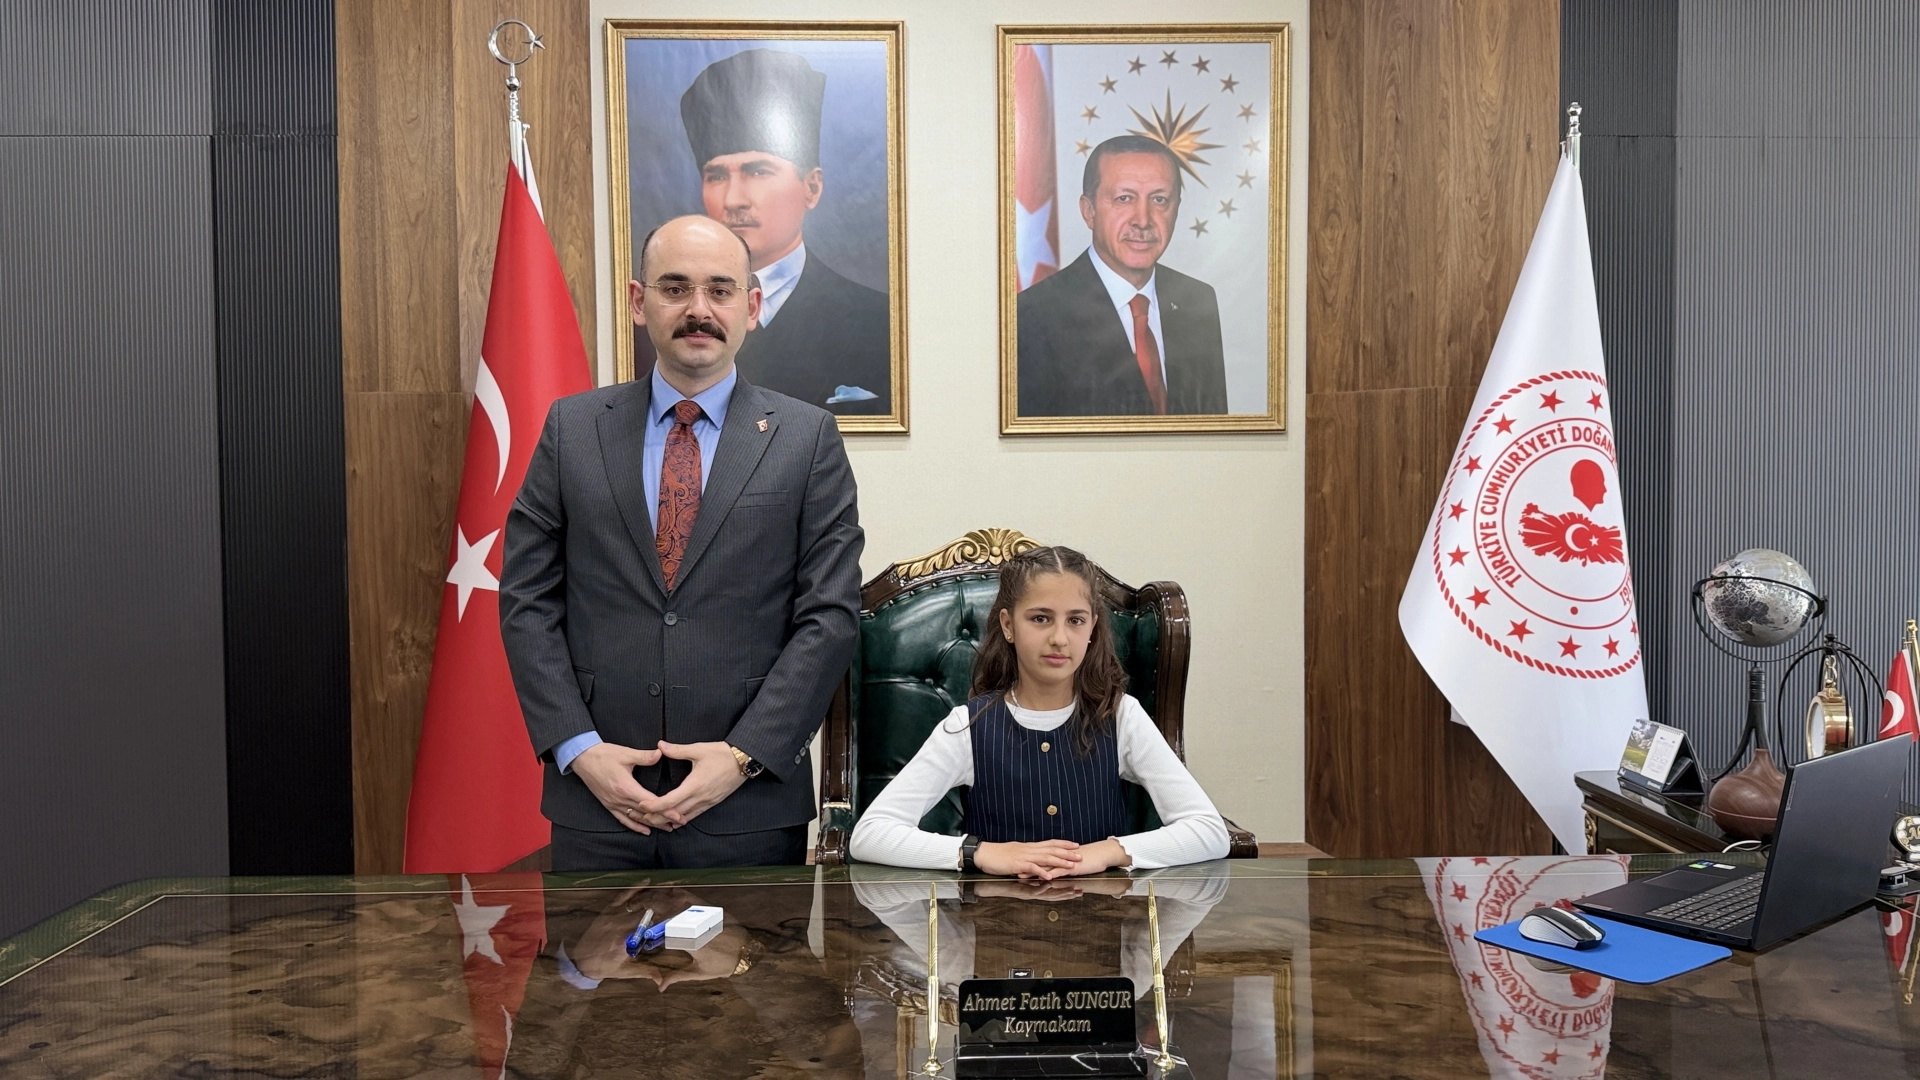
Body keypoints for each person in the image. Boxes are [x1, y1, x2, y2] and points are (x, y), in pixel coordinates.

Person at [501, 214, 864, 871]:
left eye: (720, 290)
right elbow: (527, 600)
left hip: (747, 808)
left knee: (754, 951)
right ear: (639, 302)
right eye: (675, 288)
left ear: (751, 306)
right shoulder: (571, 429)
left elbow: (830, 617)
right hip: (598, 804)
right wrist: (578, 748)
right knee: (591, 949)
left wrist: (743, 756)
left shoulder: (807, 439)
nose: (699, 309)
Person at [848, 545, 1229, 876]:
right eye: (1040, 618)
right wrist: (981, 853)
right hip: (994, 926)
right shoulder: (968, 726)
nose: (1059, 638)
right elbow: (871, 835)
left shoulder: (1120, 717)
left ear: (1093, 628)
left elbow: (1209, 831)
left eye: (1075, 620)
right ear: (1008, 625)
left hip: (1101, 924)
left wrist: (1108, 852)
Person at [666, 47, 891, 416]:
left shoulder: (876, 321)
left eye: (759, 171)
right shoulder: (665, 321)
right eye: (717, 176)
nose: (733, 200)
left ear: (811, 188)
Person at [1016, 135, 1228, 418]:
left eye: (1159, 199)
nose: (1143, 220)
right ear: (1089, 212)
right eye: (1124, 198)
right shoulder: (1033, 317)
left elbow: (1212, 431)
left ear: (1176, 209)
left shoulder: (1198, 301)